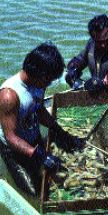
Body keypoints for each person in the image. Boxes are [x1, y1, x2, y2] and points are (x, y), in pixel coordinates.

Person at [0, 42, 85, 197]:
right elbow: (10, 137)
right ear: (39, 74)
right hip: (13, 148)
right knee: (34, 194)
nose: (50, 83)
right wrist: (39, 154)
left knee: (51, 175)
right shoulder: (9, 96)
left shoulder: (39, 83)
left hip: (31, 133)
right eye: (49, 79)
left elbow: (39, 110)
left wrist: (60, 131)